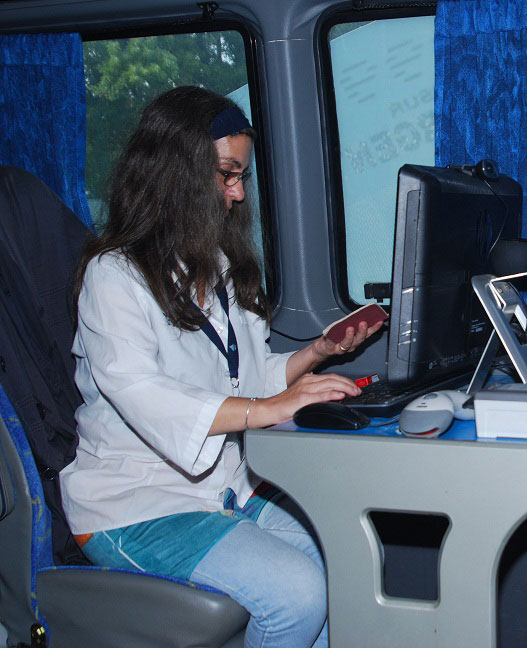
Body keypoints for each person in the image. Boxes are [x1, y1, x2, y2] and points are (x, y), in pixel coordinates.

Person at [60, 86, 383, 648]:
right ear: (176, 173)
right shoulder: (113, 276)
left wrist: (315, 354)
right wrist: (268, 408)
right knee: (298, 593)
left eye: (241, 177)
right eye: (227, 174)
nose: (237, 193)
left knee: (343, 560)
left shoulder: (217, 265)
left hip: (223, 487)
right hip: (135, 505)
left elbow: (244, 380)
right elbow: (143, 393)